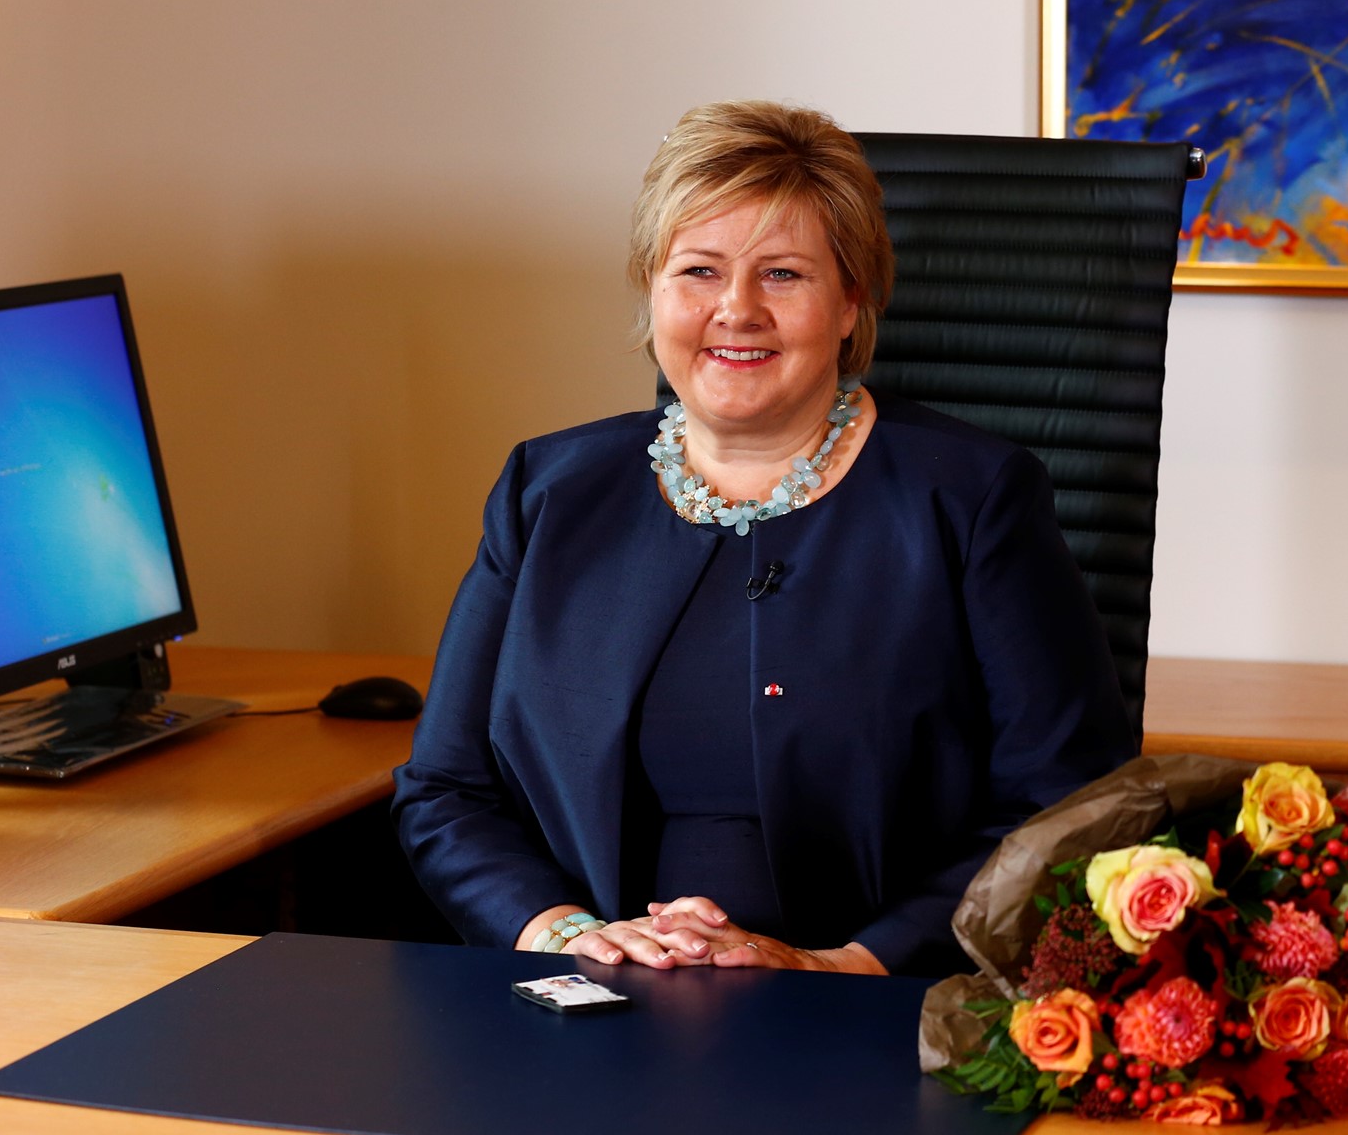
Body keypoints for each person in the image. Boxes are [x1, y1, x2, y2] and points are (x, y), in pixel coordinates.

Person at [393, 100, 1134, 978]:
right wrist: (565, 932)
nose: (735, 310)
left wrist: (841, 967)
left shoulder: (972, 499)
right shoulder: (547, 491)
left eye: (782, 275)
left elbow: (1065, 803)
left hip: (874, 1012)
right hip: (589, 1000)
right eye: (699, 271)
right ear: (652, 293)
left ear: (852, 302)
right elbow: (446, 792)